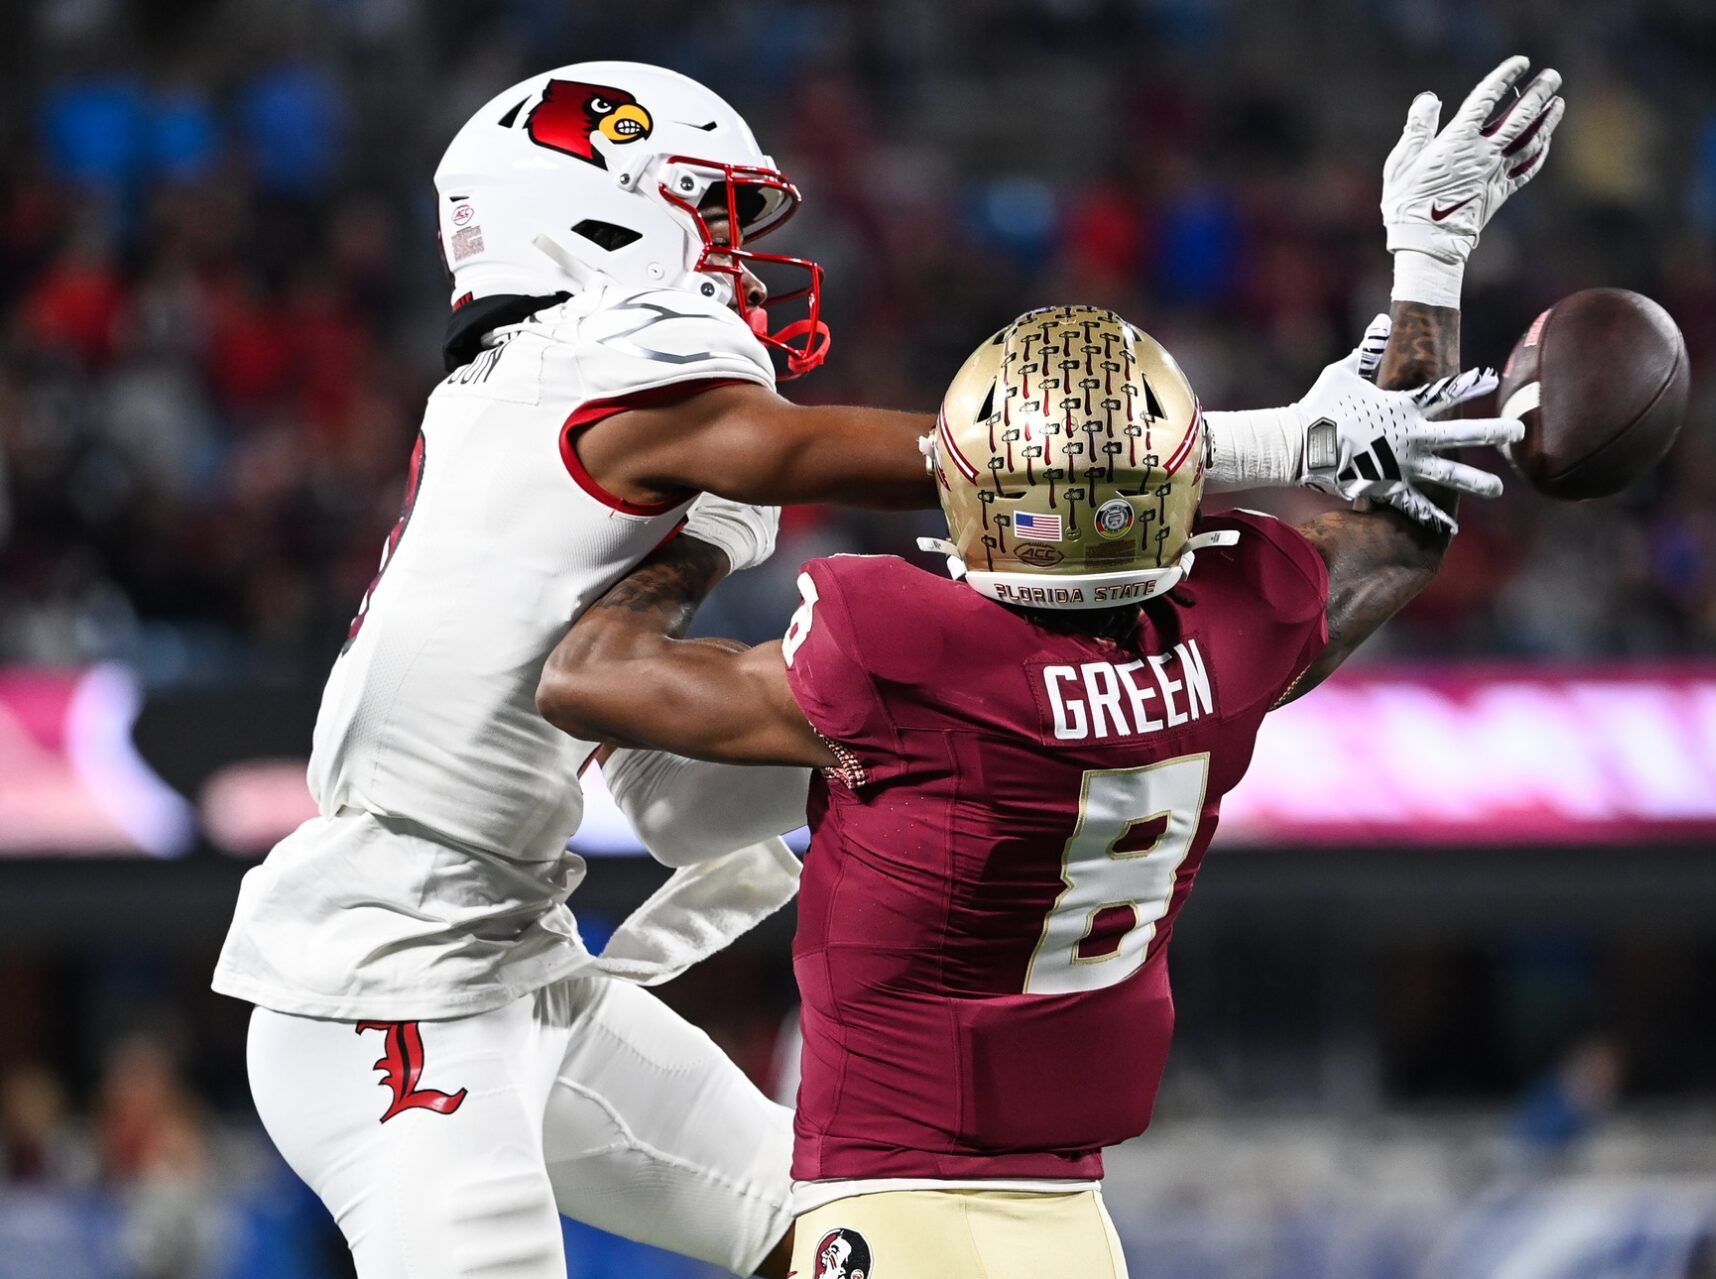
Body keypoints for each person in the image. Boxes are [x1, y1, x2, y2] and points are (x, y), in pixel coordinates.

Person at [218, 55, 1557, 1278]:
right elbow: (1390, 520)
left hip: (505, 961)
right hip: (383, 986)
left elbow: (617, 714)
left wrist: (688, 580)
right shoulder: (1206, 646)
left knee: (796, 1238)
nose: (737, 263)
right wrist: (1336, 387)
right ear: (594, 212)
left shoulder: (878, 634)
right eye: (713, 218)